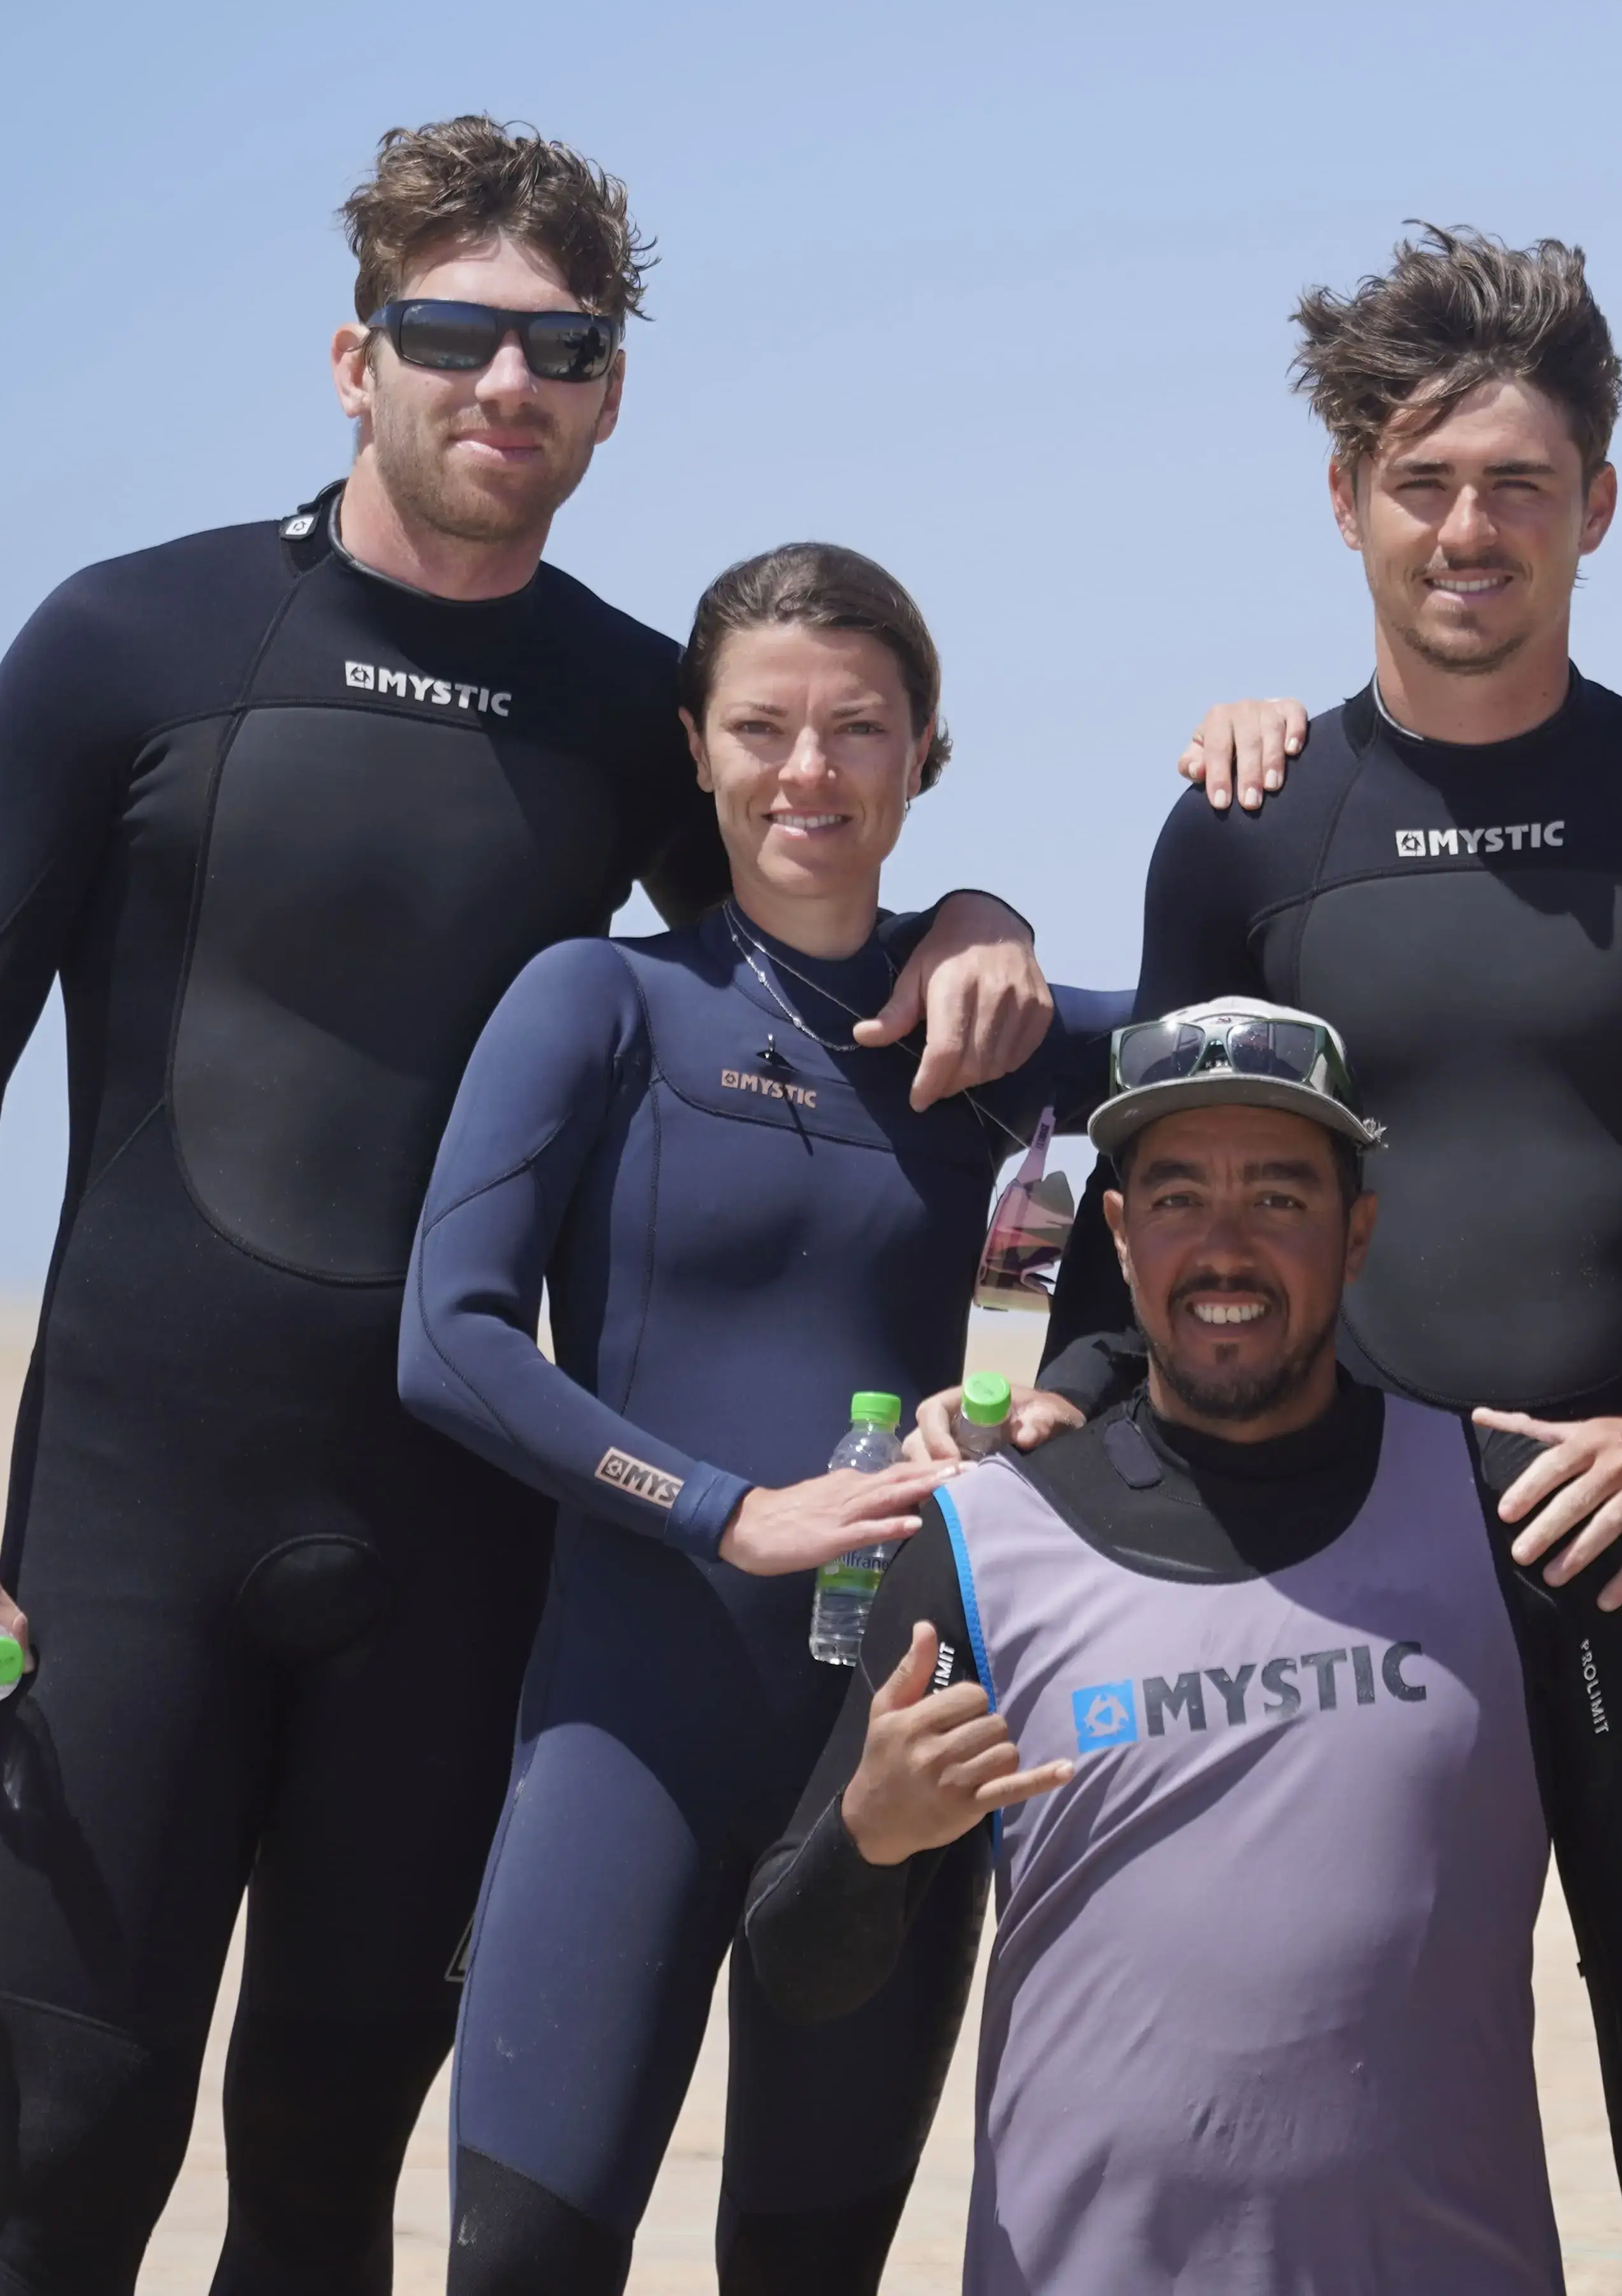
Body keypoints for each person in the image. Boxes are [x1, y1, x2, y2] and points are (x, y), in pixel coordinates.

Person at [0, 122, 1049, 2295]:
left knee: (323, 2174)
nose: (507, 382)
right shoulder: (131, 640)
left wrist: (978, 903)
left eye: (559, 344)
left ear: (608, 388)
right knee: (75, 2162)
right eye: (453, 332)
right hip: (133, 1514)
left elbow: (806, 942)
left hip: (458, 1550)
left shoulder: (618, 701)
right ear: (352, 354)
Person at [1034, 226, 1622, 2290]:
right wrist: (1055, 1429)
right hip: (1352, 1585)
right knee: (1320, 2162)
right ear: (1346, 507)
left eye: (1517, 482)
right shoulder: (1249, 825)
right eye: (1421, 484)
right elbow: (1144, 1190)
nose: (1470, 527)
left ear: (1597, 501)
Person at [739, 1000, 1622, 2293]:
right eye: (1176, 1199)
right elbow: (796, 1968)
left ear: (1356, 1232)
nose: (1222, 1249)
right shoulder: (983, 1541)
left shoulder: (1505, 1515)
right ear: (1118, 1235)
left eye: (1278, 1199)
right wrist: (871, 1833)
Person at [396, 545, 1118, 2292]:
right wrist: (725, 1504)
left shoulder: (1009, 1046)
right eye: (764, 726)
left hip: (893, 1744)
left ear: (922, 752)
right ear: (698, 748)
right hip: (629, 1727)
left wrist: (1048, 1398)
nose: (810, 768)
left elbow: (1292, 1068)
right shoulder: (604, 1001)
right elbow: (449, 1333)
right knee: (521, 2260)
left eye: (858, 727)